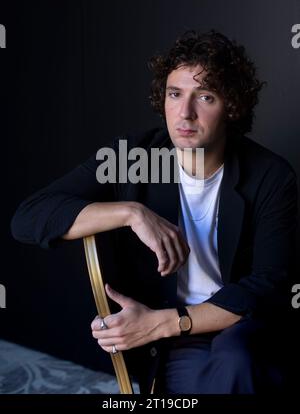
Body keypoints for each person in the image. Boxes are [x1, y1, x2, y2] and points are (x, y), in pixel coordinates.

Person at [11, 30, 298, 394]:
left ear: (232, 106)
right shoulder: (135, 159)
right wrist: (131, 213)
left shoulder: (270, 175)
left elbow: (268, 287)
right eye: (175, 94)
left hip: (241, 325)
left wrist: (165, 323)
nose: (185, 113)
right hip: (178, 341)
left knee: (237, 360)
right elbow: (30, 216)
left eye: (205, 97)